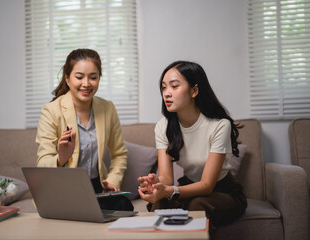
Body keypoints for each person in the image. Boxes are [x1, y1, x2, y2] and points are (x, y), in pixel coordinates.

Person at [137, 61, 247, 229]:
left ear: (194, 91)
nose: (166, 93)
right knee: (161, 202)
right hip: (188, 188)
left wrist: (170, 191)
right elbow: (166, 178)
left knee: (197, 206)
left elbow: (207, 185)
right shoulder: (163, 126)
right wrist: (156, 184)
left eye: (174, 86)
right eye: (164, 87)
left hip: (222, 191)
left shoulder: (219, 125)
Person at [36, 48, 133, 211]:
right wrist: (61, 158)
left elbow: (119, 153)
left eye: (93, 77)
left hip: (97, 189)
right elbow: (42, 163)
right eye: (79, 77)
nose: (86, 83)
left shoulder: (107, 108)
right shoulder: (51, 110)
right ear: (67, 78)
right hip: (64, 190)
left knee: (124, 206)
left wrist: (113, 180)